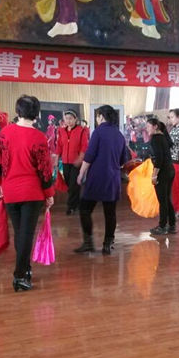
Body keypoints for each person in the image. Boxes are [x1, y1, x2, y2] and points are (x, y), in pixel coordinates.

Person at [0, 96, 55, 291]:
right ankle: (19, 276)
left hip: (10, 191)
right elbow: (45, 170)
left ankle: (25, 270)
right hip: (32, 193)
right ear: (37, 113)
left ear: (18, 111)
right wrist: (49, 193)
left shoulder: (4, 133)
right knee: (26, 234)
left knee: (21, 233)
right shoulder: (39, 137)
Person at [75, 105, 129, 255]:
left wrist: (81, 173)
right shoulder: (119, 135)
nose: (97, 119)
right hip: (112, 179)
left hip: (96, 178)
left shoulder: (98, 132)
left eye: (98, 116)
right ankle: (108, 244)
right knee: (110, 213)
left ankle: (88, 243)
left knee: (85, 209)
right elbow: (122, 160)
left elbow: (89, 156)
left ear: (101, 117)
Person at [56, 109, 89, 216]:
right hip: (65, 162)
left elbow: (84, 147)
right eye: (66, 119)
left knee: (73, 184)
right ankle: (77, 203)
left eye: (70, 118)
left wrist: (80, 159)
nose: (68, 121)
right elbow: (59, 146)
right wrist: (56, 159)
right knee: (69, 184)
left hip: (76, 162)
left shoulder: (81, 131)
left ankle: (71, 207)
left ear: (76, 119)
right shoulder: (61, 131)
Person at [148, 118, 176, 235]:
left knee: (162, 200)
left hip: (163, 172)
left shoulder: (155, 139)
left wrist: (154, 175)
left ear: (155, 126)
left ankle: (162, 226)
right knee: (166, 199)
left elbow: (159, 159)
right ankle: (172, 225)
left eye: (148, 126)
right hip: (170, 170)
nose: (147, 128)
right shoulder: (163, 137)